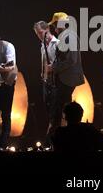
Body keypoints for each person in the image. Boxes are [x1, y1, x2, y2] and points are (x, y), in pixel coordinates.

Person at [45, 12, 85, 142]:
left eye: (55, 25)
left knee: (59, 110)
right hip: (64, 78)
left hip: (66, 79)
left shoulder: (70, 37)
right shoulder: (66, 36)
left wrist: (54, 68)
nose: (54, 29)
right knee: (61, 110)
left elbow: (71, 60)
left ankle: (56, 141)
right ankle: (63, 140)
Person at [33, 21, 59, 144]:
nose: (39, 36)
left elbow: (62, 63)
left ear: (48, 29)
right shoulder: (42, 45)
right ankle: (51, 139)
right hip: (45, 81)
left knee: (55, 111)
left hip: (55, 82)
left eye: (41, 33)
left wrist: (52, 67)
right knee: (48, 110)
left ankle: (52, 140)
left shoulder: (57, 44)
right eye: (37, 34)